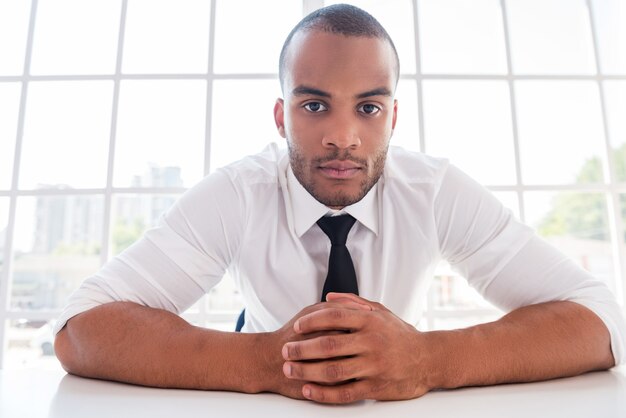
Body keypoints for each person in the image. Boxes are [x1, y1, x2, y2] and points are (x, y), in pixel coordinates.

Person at [54, 4, 625, 404]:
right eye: (315, 106)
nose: (343, 138)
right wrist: (264, 363)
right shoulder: (238, 192)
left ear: (394, 118)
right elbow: (79, 329)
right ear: (281, 116)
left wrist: (429, 359)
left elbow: (601, 323)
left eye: (369, 108)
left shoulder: (434, 189)